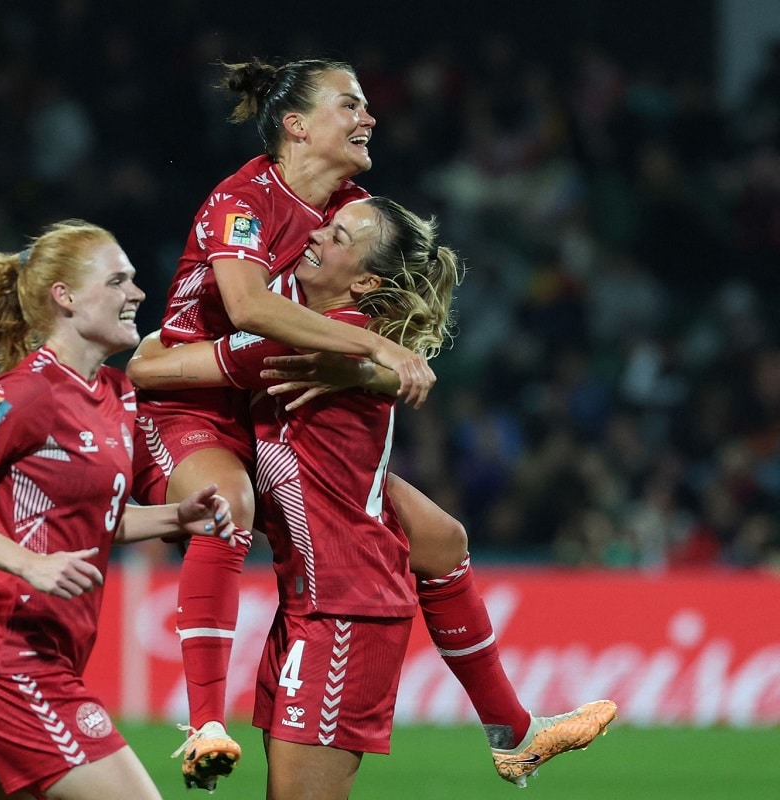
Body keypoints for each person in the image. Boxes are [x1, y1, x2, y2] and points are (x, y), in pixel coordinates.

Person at [131, 57, 617, 791]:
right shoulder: (245, 202)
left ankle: (512, 732)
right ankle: (208, 719)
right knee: (255, 513)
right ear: (296, 126)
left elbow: (154, 359)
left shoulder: (340, 234)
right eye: (350, 105)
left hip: (336, 597)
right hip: (208, 417)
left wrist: (371, 360)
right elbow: (237, 319)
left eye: (342, 239)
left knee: (429, 536)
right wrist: (375, 352)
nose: (370, 117)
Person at [0, 220, 236, 800]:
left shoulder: (117, 394)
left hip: (52, 653)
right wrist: (28, 563)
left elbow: (94, 520)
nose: (137, 293)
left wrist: (175, 519)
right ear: (66, 298)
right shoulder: (26, 392)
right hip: (12, 660)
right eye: (118, 280)